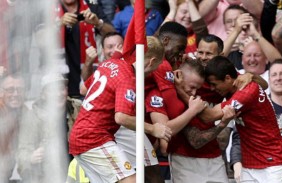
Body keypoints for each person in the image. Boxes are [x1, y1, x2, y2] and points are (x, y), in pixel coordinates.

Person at [69, 36, 170, 183]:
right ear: (152, 61)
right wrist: (153, 129)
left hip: (85, 134)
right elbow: (121, 117)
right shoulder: (128, 77)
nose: (151, 73)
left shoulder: (110, 63)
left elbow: (84, 89)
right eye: (155, 68)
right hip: (93, 138)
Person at [204, 56, 282, 183]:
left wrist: (183, 93)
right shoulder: (239, 79)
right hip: (249, 164)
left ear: (228, 78)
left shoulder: (245, 93)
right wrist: (251, 75)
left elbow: (208, 116)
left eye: (214, 84)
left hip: (275, 163)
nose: (212, 89)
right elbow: (265, 84)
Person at [230, 59, 282, 182]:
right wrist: (236, 163)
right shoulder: (254, 105)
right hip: (255, 166)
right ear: (268, 79)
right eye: (274, 74)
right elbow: (239, 137)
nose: (278, 78)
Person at [56, 0, 115, 98]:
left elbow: (113, 35)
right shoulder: (48, 8)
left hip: (86, 82)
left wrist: (97, 23)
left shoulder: (91, 6)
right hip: (56, 86)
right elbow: (39, 39)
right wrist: (58, 23)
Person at [17, 73, 70, 182]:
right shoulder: (32, 117)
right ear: (43, 95)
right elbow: (22, 154)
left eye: (61, 89)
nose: (58, 94)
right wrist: (31, 157)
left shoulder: (77, 110)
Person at [0, 74, 25, 182]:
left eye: (19, 89)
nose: (16, 94)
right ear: (1, 92)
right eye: (10, 90)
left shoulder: (26, 112)